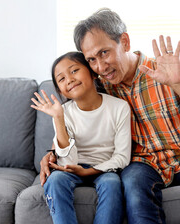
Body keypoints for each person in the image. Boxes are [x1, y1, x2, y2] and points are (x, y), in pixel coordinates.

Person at [40, 8, 180, 224]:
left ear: (125, 42)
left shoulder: (167, 70)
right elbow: (78, 118)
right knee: (134, 187)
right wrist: (53, 153)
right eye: (91, 60)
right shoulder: (100, 85)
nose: (100, 67)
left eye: (104, 53)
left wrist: (178, 84)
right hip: (140, 163)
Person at [31, 51, 131, 224]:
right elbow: (65, 162)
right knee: (55, 180)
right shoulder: (63, 112)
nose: (69, 79)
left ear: (92, 73)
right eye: (61, 79)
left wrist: (89, 171)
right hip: (73, 166)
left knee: (112, 183)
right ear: (60, 89)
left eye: (74, 70)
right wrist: (59, 119)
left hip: (104, 168)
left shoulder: (119, 108)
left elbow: (122, 157)